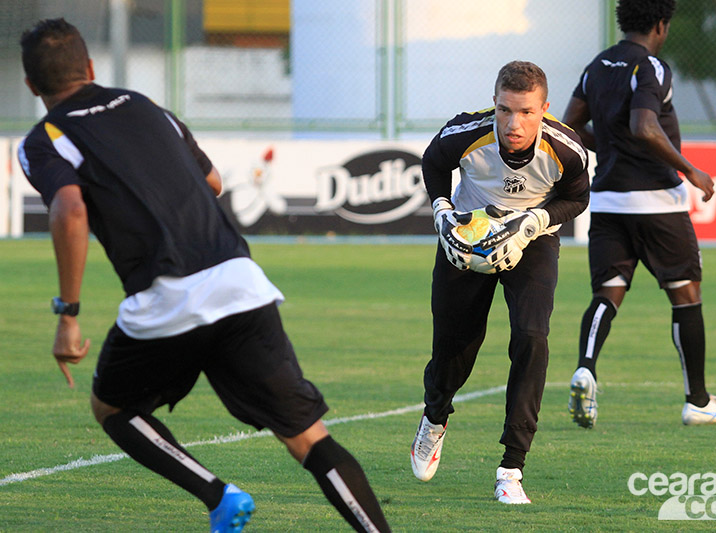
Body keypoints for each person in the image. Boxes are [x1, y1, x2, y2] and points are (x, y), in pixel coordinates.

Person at [18, 18, 390, 533]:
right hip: (239, 281)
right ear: (91, 68)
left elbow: (70, 210)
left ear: (32, 86)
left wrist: (69, 314)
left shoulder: (46, 138)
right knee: (309, 438)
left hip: (166, 299)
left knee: (113, 407)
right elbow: (212, 181)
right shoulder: (148, 108)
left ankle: (218, 496)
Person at [410, 61, 590, 504]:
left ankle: (511, 467)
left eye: (526, 112)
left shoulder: (567, 149)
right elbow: (433, 164)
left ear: (544, 109)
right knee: (455, 347)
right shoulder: (464, 133)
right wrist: (442, 211)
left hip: (532, 242)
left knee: (532, 336)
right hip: (468, 240)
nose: (514, 123)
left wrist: (535, 220)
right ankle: (434, 418)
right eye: (505, 110)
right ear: (494, 103)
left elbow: (577, 197)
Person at [562, 0, 716, 429]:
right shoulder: (652, 67)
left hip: (606, 202)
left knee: (608, 292)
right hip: (658, 202)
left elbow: (567, 126)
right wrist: (690, 169)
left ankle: (586, 368)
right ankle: (697, 401)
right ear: (661, 24)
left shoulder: (597, 66)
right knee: (685, 294)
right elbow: (644, 125)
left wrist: (607, 146)